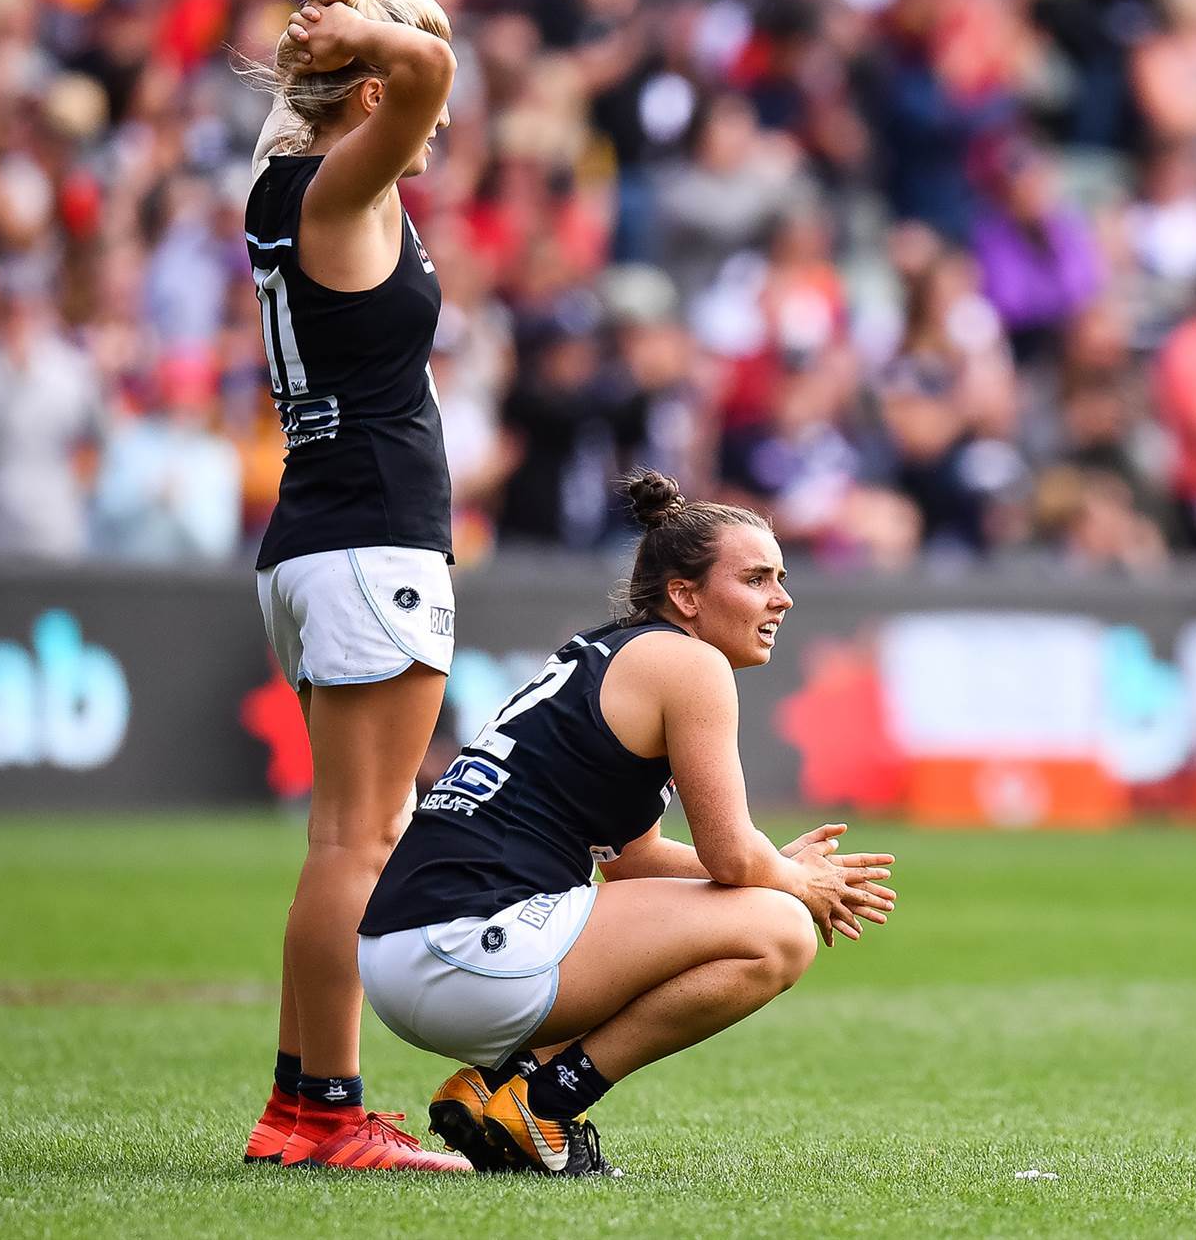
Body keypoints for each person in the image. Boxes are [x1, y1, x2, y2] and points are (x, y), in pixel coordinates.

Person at [357, 470, 898, 1176]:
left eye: (781, 576)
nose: (782, 597)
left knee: (758, 902)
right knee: (781, 931)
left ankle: (495, 1085)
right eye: (758, 578)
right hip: (469, 950)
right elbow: (732, 857)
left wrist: (772, 870)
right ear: (685, 595)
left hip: (404, 956)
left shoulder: (612, 651)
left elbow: (637, 861)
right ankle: (544, 1099)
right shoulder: (690, 663)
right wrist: (788, 878)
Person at [237, 0, 467, 1172]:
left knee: (342, 834)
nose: (435, 132)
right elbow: (428, 68)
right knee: (356, 842)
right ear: (366, 93)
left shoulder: (281, 176)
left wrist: (342, 4)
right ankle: (321, 1110)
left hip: (316, 533)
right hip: (369, 533)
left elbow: (402, 67)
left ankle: (301, 1104)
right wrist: (373, 34)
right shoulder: (342, 184)